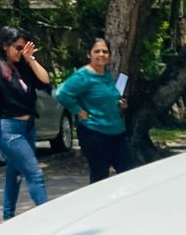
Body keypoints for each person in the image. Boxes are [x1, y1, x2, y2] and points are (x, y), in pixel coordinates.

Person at [0, 26, 50, 220]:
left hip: (28, 128)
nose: (21, 51)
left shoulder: (23, 66)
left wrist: (30, 59)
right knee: (35, 173)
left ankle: (8, 217)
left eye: (24, 47)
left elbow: (45, 80)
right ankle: (50, 218)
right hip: (9, 131)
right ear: (5, 46)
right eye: (18, 47)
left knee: (14, 174)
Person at [54, 37, 131, 183]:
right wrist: (77, 109)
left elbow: (107, 96)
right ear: (89, 54)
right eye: (97, 51)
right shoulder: (83, 76)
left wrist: (119, 103)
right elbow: (61, 93)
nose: (101, 54)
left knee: (127, 175)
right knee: (100, 177)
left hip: (117, 132)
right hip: (95, 133)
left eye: (105, 51)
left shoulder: (106, 74)